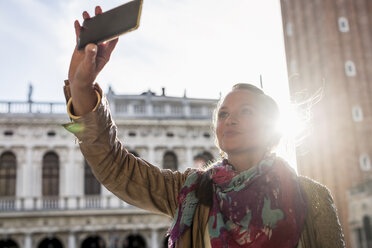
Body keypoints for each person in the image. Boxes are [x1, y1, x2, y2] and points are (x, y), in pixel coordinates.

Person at [64, 6, 345, 248]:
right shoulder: (193, 192)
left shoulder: (311, 197)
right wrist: (81, 86)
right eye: (223, 114)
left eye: (245, 111)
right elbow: (115, 167)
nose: (229, 120)